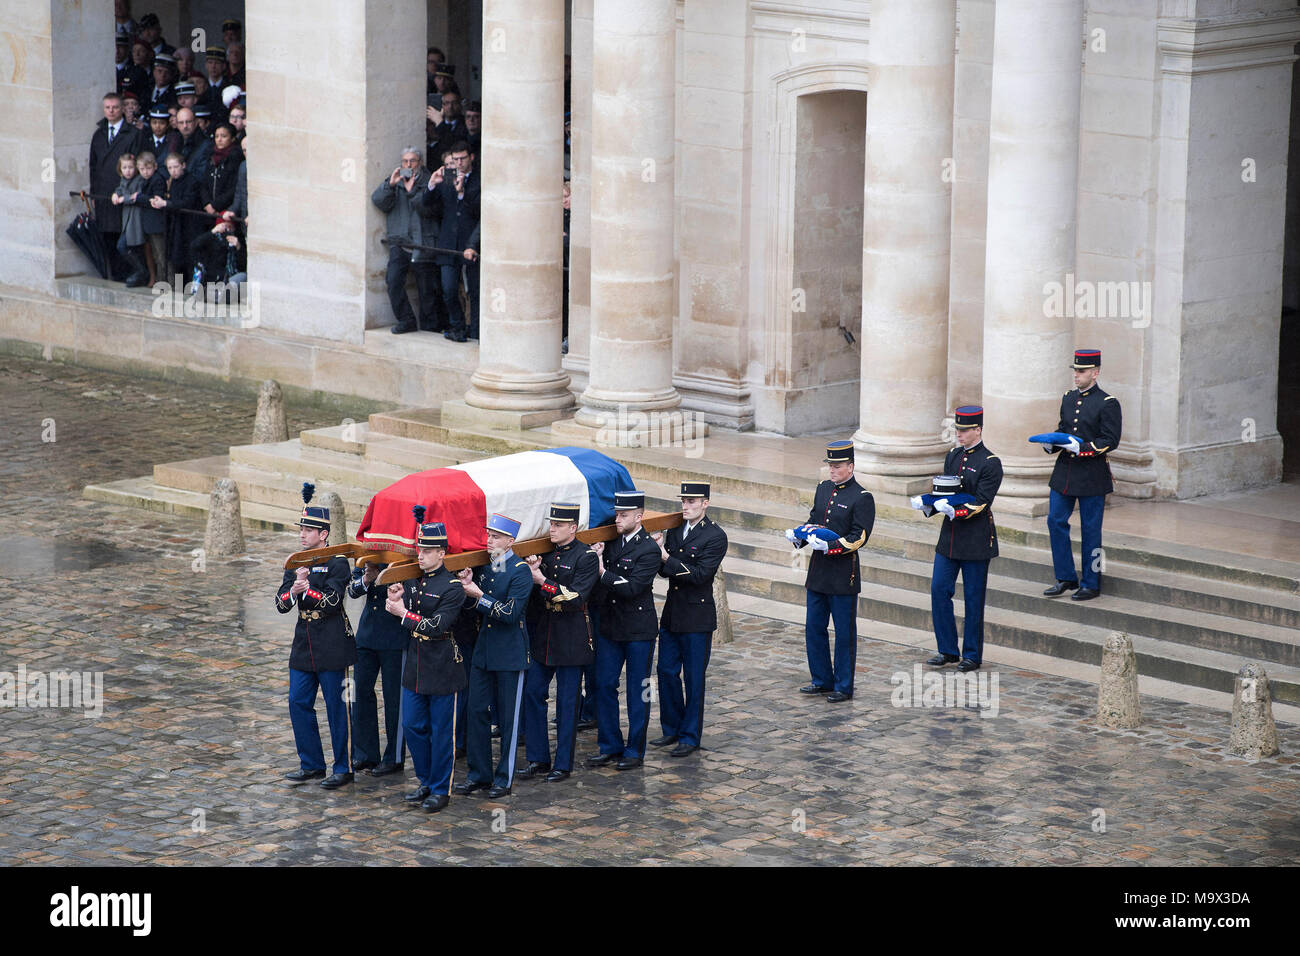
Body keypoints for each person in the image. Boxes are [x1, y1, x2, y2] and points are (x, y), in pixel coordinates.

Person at [276, 483, 357, 789]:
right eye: (301, 529)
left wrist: (306, 589)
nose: (302, 534)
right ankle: (311, 763)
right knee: (298, 701)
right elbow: (281, 603)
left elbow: (333, 601)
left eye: (309, 530)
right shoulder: (296, 561)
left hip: (332, 641)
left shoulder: (337, 561)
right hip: (304, 641)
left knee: (337, 708)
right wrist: (293, 591)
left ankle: (343, 766)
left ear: (323, 534)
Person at [387, 510, 468, 813]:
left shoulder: (453, 587)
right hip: (416, 665)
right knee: (412, 725)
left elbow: (437, 626)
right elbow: (402, 602)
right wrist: (396, 596)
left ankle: (439, 789)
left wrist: (402, 613)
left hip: (443, 665)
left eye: (428, 551)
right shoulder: (413, 581)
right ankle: (424, 779)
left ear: (442, 553)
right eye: (420, 549)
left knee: (442, 731)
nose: (421, 555)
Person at [786, 440, 875, 702]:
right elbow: (814, 519)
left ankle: (843, 685)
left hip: (842, 574)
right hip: (818, 573)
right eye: (830, 465)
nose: (832, 470)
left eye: (837, 466)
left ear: (850, 466)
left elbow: (859, 537)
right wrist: (799, 536)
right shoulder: (823, 489)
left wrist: (831, 545)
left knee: (844, 634)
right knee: (814, 627)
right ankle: (821, 679)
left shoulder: (862, 497)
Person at [917, 406, 1003, 672]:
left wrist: (955, 509)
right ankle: (947, 649)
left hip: (976, 539)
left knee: (974, 599)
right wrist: (929, 504)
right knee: (938, 590)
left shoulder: (990, 462)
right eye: (958, 429)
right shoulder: (953, 456)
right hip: (950, 538)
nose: (960, 435)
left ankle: (972, 655)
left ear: (978, 430)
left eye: (964, 430)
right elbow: (943, 490)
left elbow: (982, 502)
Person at [453, 514, 532, 799]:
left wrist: (479, 596)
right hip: (484, 651)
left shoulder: (520, 570)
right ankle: (479, 774)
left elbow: (510, 613)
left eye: (496, 537)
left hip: (510, 653)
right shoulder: (485, 567)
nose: (490, 541)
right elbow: (474, 609)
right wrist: (470, 587)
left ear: (510, 541)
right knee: (476, 712)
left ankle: (504, 778)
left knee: (509, 719)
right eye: (488, 535)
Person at [520, 503, 599, 783]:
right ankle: (538, 758)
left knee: (567, 703)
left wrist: (541, 580)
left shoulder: (586, 557)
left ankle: (563, 763)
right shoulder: (546, 554)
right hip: (547, 634)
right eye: (551, 524)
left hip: (572, 636)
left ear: (573, 528)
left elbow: (576, 597)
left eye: (558, 525)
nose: (552, 528)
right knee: (533, 692)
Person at [586, 491, 661, 771]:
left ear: (639, 517)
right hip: (610, 626)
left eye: (624, 515)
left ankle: (634, 749)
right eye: (617, 514)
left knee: (638, 690)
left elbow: (632, 588)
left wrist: (602, 571)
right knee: (604, 684)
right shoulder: (611, 542)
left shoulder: (649, 549)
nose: (618, 519)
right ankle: (610, 744)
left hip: (638, 629)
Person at [652, 481, 728, 756]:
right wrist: (661, 555)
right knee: (666, 672)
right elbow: (665, 573)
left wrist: (665, 557)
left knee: (694, 678)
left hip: (697, 616)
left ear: (705, 503)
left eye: (692, 502)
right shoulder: (675, 531)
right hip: (673, 612)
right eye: (683, 501)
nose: (685, 506)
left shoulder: (715, 536)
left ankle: (689, 735)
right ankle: (671, 728)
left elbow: (699, 576)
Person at [1042, 348, 1123, 602]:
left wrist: (1084, 448)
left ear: (1095, 373)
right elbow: (1064, 429)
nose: (1076, 375)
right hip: (1065, 472)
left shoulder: (1108, 403)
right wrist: (1052, 443)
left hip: (1092, 473)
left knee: (1090, 530)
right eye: (1075, 371)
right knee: (1055, 521)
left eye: (1082, 371)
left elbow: (1110, 440)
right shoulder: (1068, 398)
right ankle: (1065, 577)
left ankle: (1091, 582)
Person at [347, 551, 409, 778]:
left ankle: (394, 756)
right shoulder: (368, 556)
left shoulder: (404, 556)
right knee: (360, 692)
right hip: (367, 634)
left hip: (395, 636)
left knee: (394, 698)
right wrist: (366, 579)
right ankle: (365, 753)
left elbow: (413, 591)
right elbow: (352, 591)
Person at [372, 148, 441, 335]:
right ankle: (406, 320)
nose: (408, 165)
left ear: (421, 162)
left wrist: (412, 193)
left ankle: (430, 329)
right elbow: (378, 201)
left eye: (413, 161)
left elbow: (430, 210)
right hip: (400, 241)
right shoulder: (396, 182)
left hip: (423, 243)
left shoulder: (430, 182)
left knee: (427, 291)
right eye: (405, 161)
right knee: (393, 281)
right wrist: (390, 185)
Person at [420, 141, 479, 341]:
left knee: (476, 291)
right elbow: (426, 204)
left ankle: (476, 332)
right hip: (448, 242)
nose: (459, 163)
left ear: (471, 157)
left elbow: (480, 211)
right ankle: (457, 327)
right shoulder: (446, 178)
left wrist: (462, 193)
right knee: (448, 289)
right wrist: (432, 183)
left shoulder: (479, 179)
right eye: (455, 160)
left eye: (462, 158)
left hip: (471, 242)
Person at [90, 92, 142, 279]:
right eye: (107, 108)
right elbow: (93, 167)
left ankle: (126, 276)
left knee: (124, 238)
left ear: (122, 109)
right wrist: (93, 193)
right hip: (103, 195)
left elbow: (136, 169)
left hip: (123, 195)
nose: (111, 111)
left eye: (115, 107)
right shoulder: (99, 134)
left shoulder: (133, 134)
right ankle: (111, 277)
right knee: (107, 238)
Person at [153, 151, 201, 281]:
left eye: (176, 167)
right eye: (170, 168)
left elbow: (188, 202)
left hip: (189, 224)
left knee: (190, 258)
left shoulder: (191, 181)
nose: (173, 171)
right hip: (177, 224)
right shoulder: (173, 181)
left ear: (183, 165)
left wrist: (167, 203)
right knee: (177, 258)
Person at [110, 152, 148, 287]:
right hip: (128, 217)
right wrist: (116, 194)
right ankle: (140, 272)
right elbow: (121, 189)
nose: (128, 171)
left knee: (124, 245)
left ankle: (141, 271)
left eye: (130, 167)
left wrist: (123, 199)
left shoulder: (139, 180)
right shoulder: (124, 180)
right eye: (124, 168)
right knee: (129, 246)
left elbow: (136, 196)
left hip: (136, 217)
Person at [129, 151, 167, 286]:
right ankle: (160, 279)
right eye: (142, 169)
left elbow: (156, 199)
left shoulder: (157, 179)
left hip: (157, 223)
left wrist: (139, 197)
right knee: (155, 254)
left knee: (161, 254)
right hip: (149, 223)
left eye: (148, 168)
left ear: (155, 167)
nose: (145, 172)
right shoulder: (144, 181)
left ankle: (165, 281)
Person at [200, 123, 242, 216]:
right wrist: (207, 203)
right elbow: (204, 183)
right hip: (209, 209)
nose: (219, 140)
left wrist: (216, 205)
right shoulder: (211, 156)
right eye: (216, 136)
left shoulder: (235, 157)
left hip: (227, 210)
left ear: (232, 138)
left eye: (223, 136)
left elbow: (234, 187)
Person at [175, 107, 212, 183]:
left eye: (188, 122)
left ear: (196, 122)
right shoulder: (176, 142)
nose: (185, 126)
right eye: (181, 123)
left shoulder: (206, 144)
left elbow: (201, 175)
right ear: (177, 125)